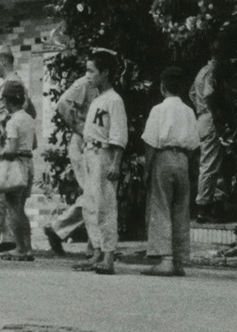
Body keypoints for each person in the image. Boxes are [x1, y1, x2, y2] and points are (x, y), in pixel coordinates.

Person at [140, 67, 199, 278]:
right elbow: (194, 144)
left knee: (161, 205)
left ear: (162, 87)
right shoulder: (189, 111)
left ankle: (165, 259)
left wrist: (147, 169)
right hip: (183, 158)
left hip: (163, 156)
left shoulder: (158, 110)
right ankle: (179, 259)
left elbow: (150, 142)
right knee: (181, 207)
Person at [75, 48, 128, 276]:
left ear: (104, 73)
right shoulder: (98, 99)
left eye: (91, 71)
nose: (88, 76)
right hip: (90, 154)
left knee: (105, 206)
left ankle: (108, 255)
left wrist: (116, 163)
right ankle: (96, 250)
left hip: (104, 155)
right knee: (90, 205)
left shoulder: (114, 100)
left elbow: (118, 134)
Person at [0, 44, 36, 251]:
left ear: (3, 61)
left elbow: (12, 114)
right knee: (13, 202)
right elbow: (31, 112)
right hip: (17, 147)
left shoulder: (11, 84)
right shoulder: (14, 82)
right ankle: (11, 239)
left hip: (8, 147)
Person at [44, 73, 99, 255]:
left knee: (95, 195)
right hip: (84, 142)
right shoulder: (85, 83)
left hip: (96, 142)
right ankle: (91, 244)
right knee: (92, 194)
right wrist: (78, 127)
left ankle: (91, 244)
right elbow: (63, 104)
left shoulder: (104, 86)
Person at [0, 80, 35, 262]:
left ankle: (19, 247)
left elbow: (11, 149)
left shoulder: (12, 122)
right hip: (28, 163)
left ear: (7, 101)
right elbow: (34, 144)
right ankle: (28, 248)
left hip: (15, 165)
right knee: (21, 209)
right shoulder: (29, 118)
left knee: (13, 208)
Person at [191, 40, 225, 223]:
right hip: (209, 117)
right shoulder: (211, 72)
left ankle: (215, 201)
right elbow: (210, 95)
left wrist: (199, 108)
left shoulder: (201, 72)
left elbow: (192, 93)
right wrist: (214, 115)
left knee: (213, 161)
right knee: (210, 162)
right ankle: (203, 206)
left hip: (201, 117)